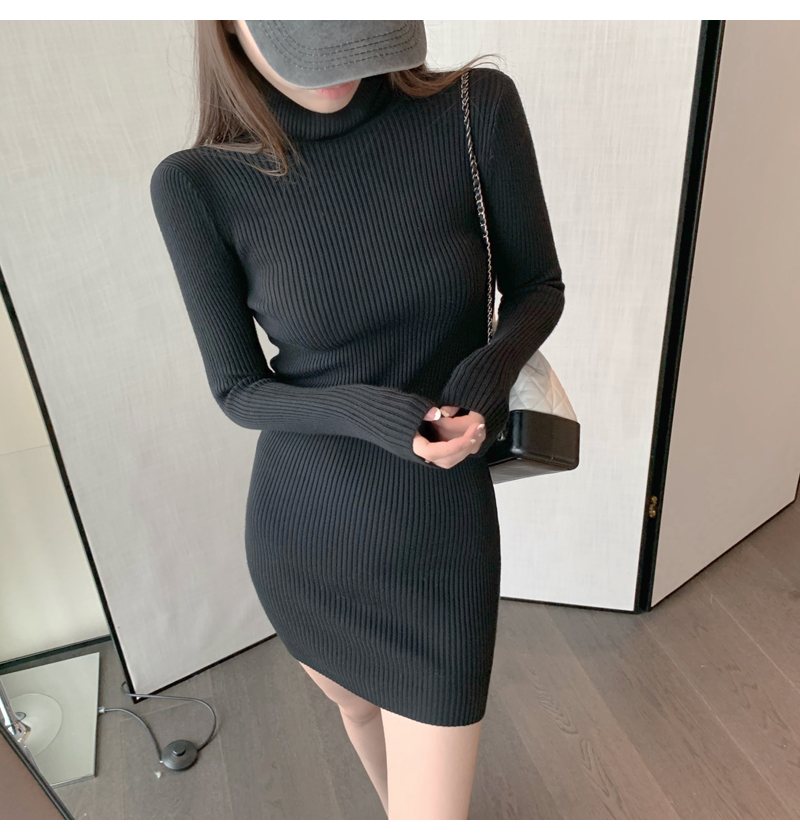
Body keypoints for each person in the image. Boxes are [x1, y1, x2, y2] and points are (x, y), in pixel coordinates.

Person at [150, 20, 565, 820]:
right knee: (358, 711)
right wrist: (381, 414)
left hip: (438, 530)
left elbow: (537, 286)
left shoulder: (475, 110)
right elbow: (239, 389)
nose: (332, 65)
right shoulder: (197, 184)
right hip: (306, 530)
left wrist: (479, 382)